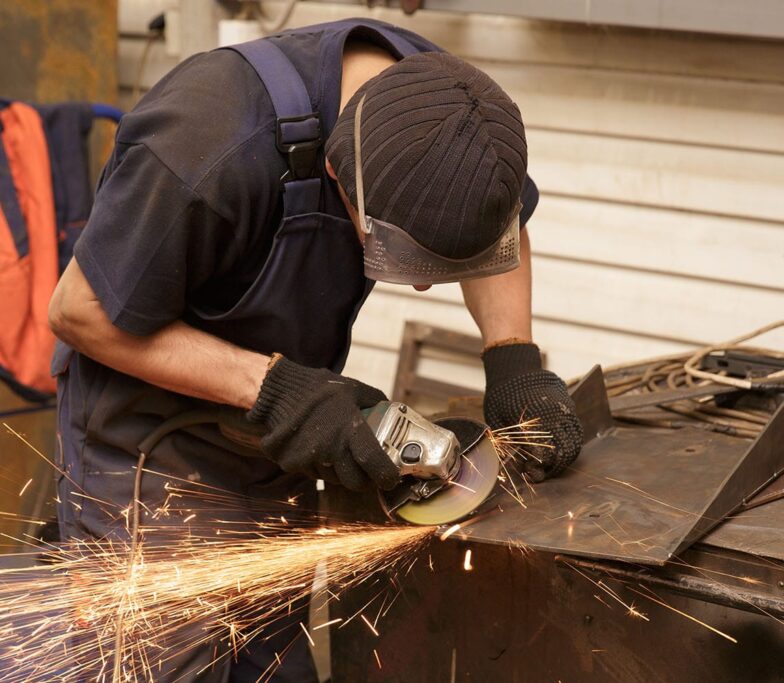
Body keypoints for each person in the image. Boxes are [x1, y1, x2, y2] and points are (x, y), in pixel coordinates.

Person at [47, 17, 584, 682]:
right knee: (169, 662)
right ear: (337, 172)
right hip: (147, 447)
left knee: (274, 659)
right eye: (398, 253)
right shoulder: (205, 140)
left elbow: (500, 222)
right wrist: (273, 388)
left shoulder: (453, 109)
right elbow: (77, 309)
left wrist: (513, 358)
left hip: (277, 435)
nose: (420, 280)